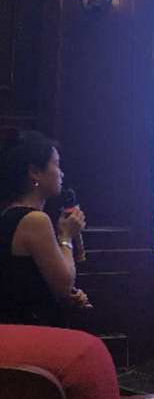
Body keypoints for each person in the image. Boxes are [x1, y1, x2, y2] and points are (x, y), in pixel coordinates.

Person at [0, 130, 91, 326]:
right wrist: (66, 236)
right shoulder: (35, 220)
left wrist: (67, 297)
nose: (61, 173)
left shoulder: (8, 213)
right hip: (28, 330)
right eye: (56, 164)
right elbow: (64, 284)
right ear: (35, 172)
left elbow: (27, 282)